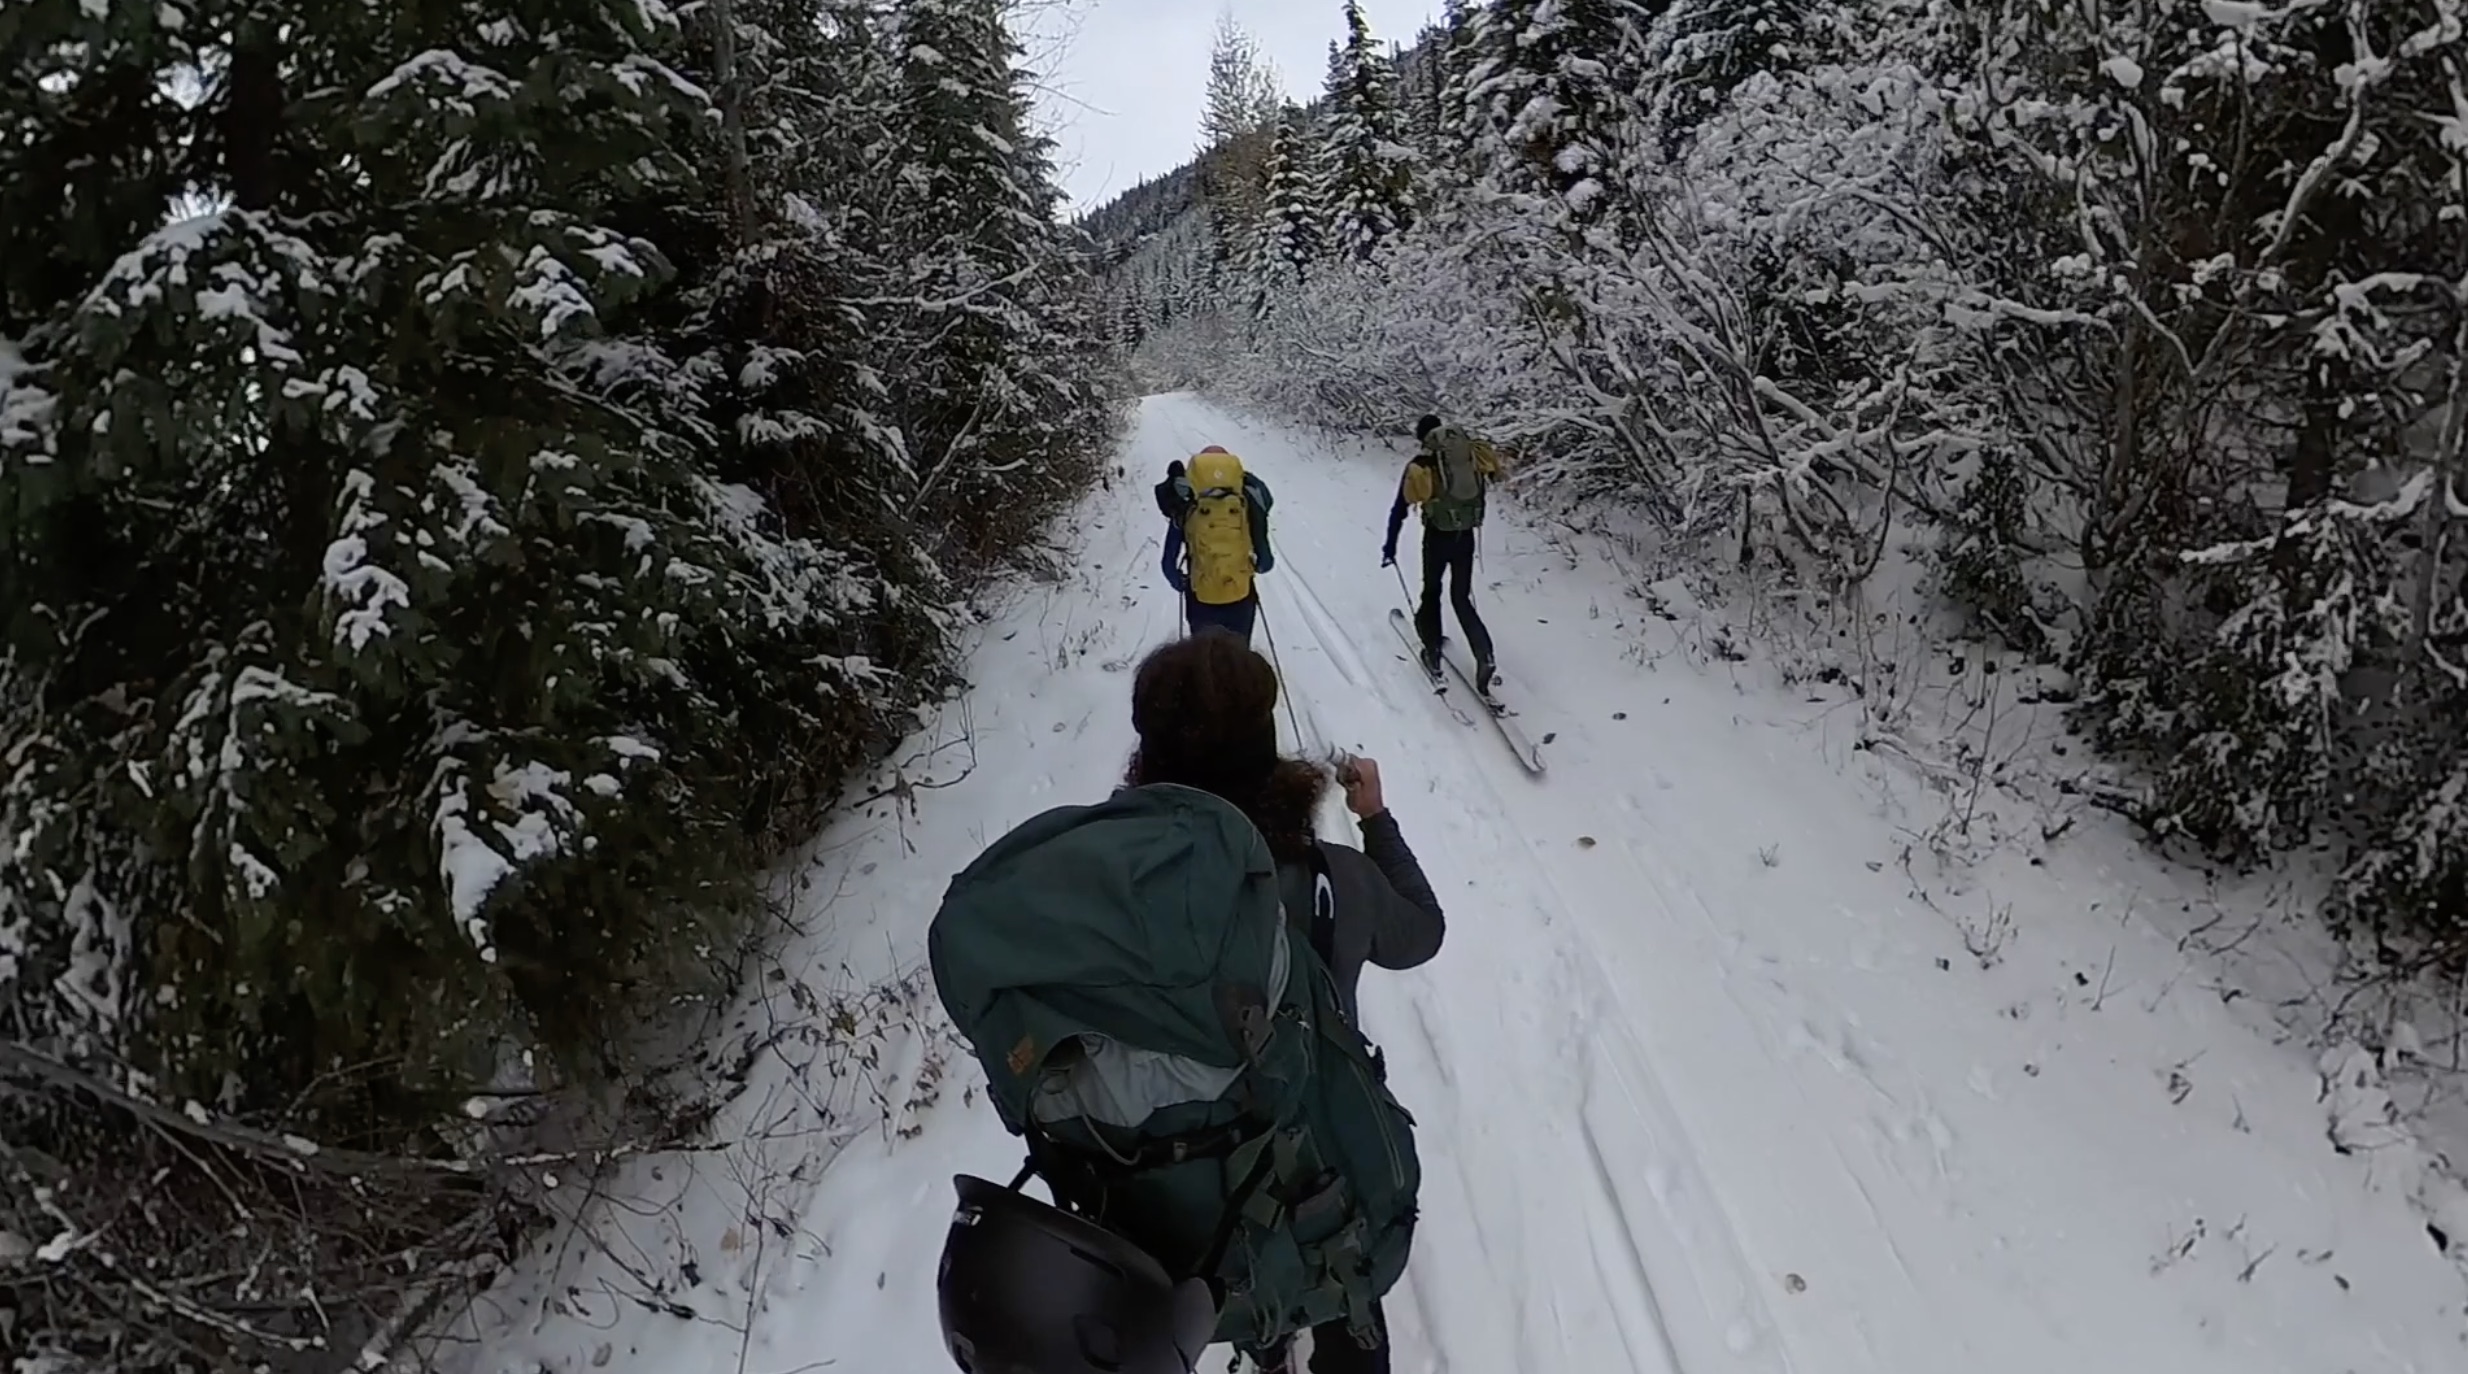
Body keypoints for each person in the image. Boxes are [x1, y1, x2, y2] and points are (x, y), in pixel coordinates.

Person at [1123, 633, 1443, 1374]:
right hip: (1325, 1168)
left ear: (1150, 760)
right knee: (1343, 1290)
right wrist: (1376, 819)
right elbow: (1422, 932)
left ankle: (1265, 1345)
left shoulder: (1123, 897)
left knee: (1243, 1268)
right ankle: (1338, 1331)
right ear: (1268, 755)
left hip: (1191, 1176)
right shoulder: (1339, 880)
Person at [1382, 415, 1502, 695]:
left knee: (1431, 592)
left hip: (1437, 538)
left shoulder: (1422, 465)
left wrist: (1390, 546)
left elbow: (1399, 509)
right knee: (1461, 597)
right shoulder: (1467, 456)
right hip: (1466, 536)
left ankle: (1432, 652)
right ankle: (1485, 653)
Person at [1158, 446, 1275, 645]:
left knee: (1204, 654)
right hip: (1240, 596)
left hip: (1200, 598)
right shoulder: (1246, 498)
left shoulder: (1187, 500)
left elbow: (1168, 563)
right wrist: (1254, 566)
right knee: (1237, 652)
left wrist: (1181, 582)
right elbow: (1266, 562)